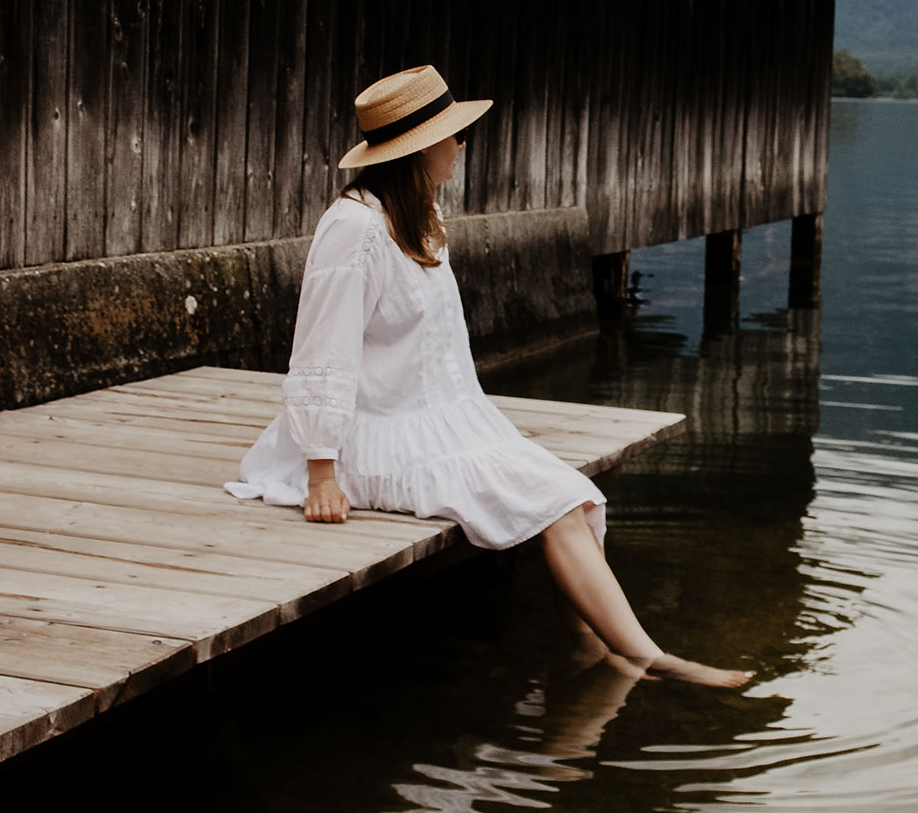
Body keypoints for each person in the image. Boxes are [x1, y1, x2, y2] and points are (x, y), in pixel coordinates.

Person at [226, 65, 750, 690]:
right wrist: (320, 472)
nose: (463, 144)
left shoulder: (420, 215)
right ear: (419, 147)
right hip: (370, 437)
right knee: (556, 506)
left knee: (575, 496)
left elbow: (436, 353)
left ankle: (592, 653)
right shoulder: (356, 229)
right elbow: (322, 350)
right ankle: (646, 660)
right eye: (453, 134)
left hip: (439, 420)